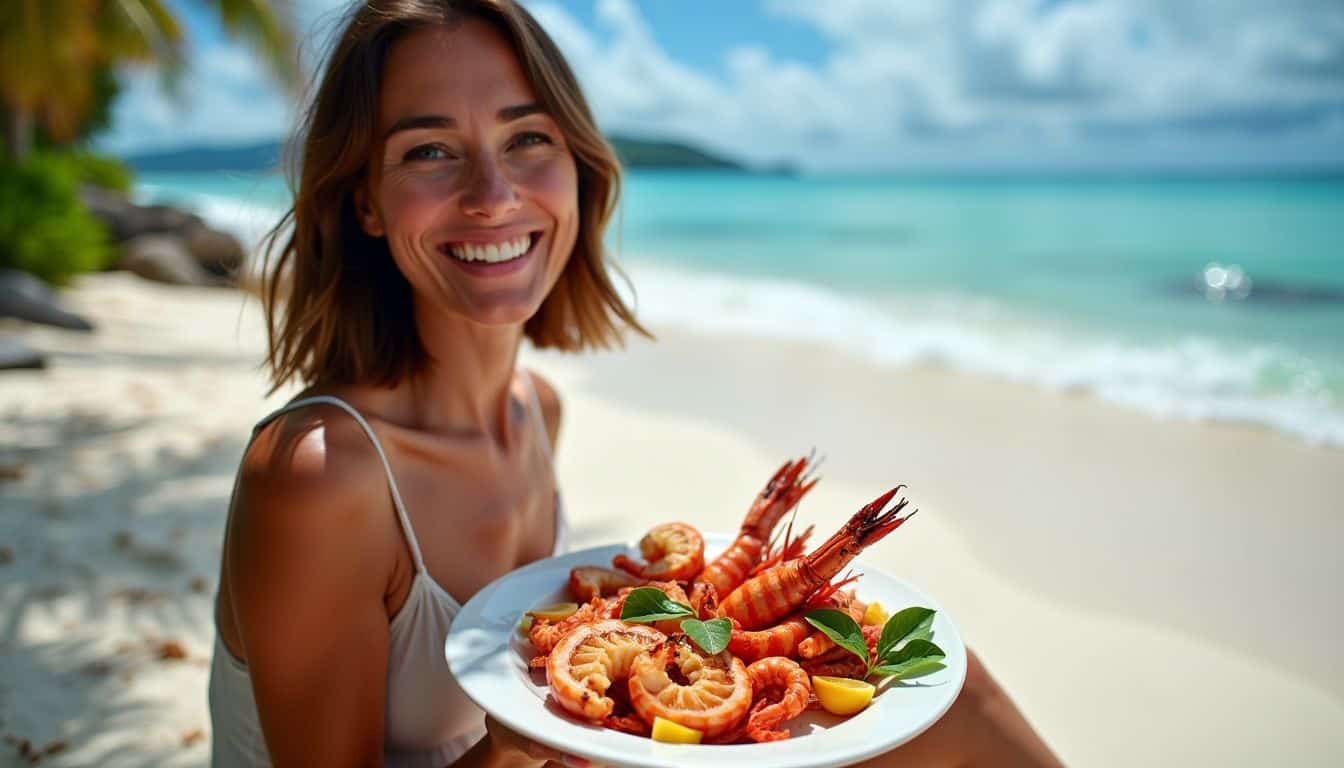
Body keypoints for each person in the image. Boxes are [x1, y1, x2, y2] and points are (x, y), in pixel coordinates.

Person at [208, 1, 1063, 766]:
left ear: (578, 167)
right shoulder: (318, 478)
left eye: (527, 138)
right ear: (364, 201)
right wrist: (518, 748)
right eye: (430, 150)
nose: (493, 194)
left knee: (939, 691)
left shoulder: (536, 411)